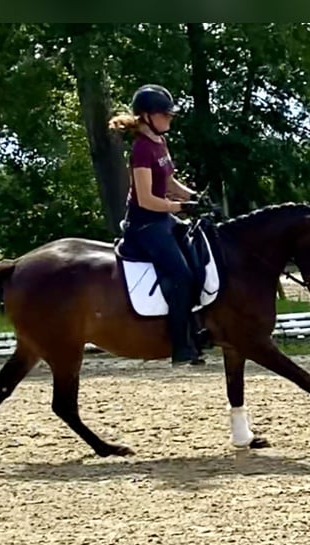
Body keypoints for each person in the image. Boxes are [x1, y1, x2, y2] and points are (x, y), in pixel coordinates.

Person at [108, 84, 205, 366]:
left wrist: (195, 197)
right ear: (148, 116)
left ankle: (198, 329)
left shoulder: (160, 142)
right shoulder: (140, 149)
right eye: (166, 114)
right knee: (182, 275)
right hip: (145, 225)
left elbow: (170, 183)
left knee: (197, 256)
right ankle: (180, 345)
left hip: (162, 218)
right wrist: (180, 207)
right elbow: (148, 199)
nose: (170, 119)